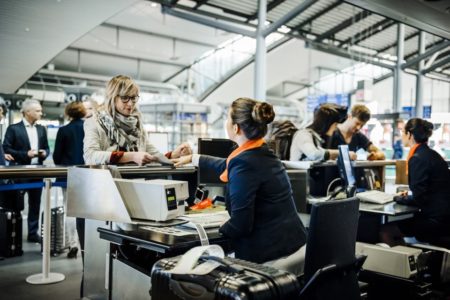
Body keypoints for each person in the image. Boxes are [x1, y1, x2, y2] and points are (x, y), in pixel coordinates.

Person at [173, 97, 307, 269]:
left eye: (228, 118)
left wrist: (220, 227)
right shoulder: (263, 153)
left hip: (267, 258)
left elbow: (240, 224)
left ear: (235, 127)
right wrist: (194, 158)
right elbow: (228, 165)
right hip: (293, 246)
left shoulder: (244, 163)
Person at [83, 75, 191, 165]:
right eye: (125, 98)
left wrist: (174, 155)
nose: (130, 104)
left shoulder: (137, 126)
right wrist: (131, 156)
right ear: (112, 97)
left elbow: (153, 155)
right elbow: (90, 156)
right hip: (108, 185)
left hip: (136, 185)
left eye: (133, 98)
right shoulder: (94, 123)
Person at [381, 118, 450, 245]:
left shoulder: (417, 158)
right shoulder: (433, 155)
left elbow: (419, 198)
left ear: (410, 135)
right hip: (444, 216)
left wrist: (398, 198)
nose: (401, 136)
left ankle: (404, 263)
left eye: (403, 132)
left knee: (386, 230)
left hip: (435, 221)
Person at [3, 99, 50, 243]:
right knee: (17, 205)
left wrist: (44, 153)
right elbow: (6, 148)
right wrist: (25, 154)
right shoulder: (13, 128)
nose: (41, 113)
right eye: (38, 111)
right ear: (27, 112)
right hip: (19, 171)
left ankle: (32, 233)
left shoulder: (42, 129)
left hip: (38, 172)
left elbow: (47, 148)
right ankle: (14, 233)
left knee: (35, 204)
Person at [53, 101, 87, 258]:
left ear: (68, 113)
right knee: (87, 211)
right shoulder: (88, 129)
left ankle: (73, 244)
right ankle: (85, 244)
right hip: (88, 176)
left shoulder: (64, 130)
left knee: (70, 210)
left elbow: (56, 157)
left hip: (68, 176)